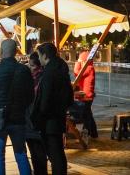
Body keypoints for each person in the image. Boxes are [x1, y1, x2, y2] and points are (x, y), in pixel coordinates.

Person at [0, 39, 34, 175]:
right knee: (21, 154)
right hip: (18, 118)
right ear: (16, 52)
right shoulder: (24, 70)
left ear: (2, 52)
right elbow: (30, 95)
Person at [32, 43, 74, 174]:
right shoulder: (61, 69)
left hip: (49, 121)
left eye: (39, 55)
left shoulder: (50, 73)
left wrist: (40, 116)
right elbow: (69, 97)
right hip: (58, 117)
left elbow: (45, 99)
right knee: (58, 154)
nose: (38, 59)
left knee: (55, 155)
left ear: (45, 55)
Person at [25, 52, 48, 175]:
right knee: (33, 150)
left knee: (39, 150)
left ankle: (41, 172)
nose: (30, 68)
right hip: (29, 118)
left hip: (37, 118)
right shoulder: (29, 77)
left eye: (32, 65)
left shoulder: (41, 78)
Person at [74, 50, 98, 138]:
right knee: (88, 114)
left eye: (80, 61)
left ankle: (88, 132)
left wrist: (77, 63)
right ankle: (93, 133)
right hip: (86, 95)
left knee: (86, 115)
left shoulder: (89, 68)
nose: (79, 62)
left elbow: (77, 72)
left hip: (86, 96)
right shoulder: (89, 67)